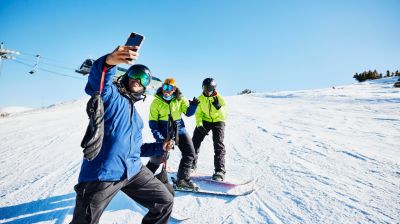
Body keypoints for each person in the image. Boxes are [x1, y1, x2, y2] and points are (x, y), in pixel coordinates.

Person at [71, 46, 174, 224]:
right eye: (135, 74)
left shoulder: (137, 118)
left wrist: (160, 147)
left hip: (132, 171)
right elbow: (99, 82)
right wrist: (109, 62)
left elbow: (135, 149)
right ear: (126, 76)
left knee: (164, 201)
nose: (138, 80)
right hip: (102, 174)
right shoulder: (110, 97)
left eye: (143, 79)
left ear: (145, 87)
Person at [147, 78, 199, 189]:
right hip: (164, 131)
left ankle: (182, 179)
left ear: (174, 89)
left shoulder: (180, 99)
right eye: (165, 87)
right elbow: (153, 123)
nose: (166, 90)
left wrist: (193, 106)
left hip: (179, 129)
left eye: (169, 88)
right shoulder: (156, 102)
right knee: (160, 156)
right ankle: (144, 178)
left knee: (190, 153)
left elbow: (188, 113)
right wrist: (160, 138)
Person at [192, 78, 227, 181]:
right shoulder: (200, 99)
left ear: (214, 88)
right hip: (205, 120)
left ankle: (219, 170)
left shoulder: (220, 98)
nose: (207, 90)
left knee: (218, 144)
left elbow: (225, 115)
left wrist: (219, 107)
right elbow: (198, 114)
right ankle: (191, 165)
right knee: (195, 141)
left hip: (218, 121)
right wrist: (199, 125)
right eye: (205, 88)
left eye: (210, 88)